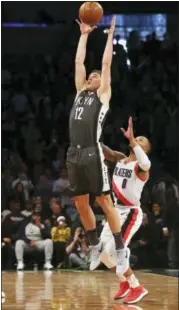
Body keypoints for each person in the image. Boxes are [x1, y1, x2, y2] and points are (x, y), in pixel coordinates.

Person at [66, 16, 128, 273]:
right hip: (74, 153)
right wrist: (83, 34)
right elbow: (79, 61)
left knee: (103, 200)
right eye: (90, 75)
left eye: (96, 76)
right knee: (80, 203)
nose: (92, 75)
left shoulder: (103, 96)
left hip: (93, 151)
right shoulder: (81, 92)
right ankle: (94, 245)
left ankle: (120, 248)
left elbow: (104, 62)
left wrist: (110, 36)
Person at [97, 117, 151, 304]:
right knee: (102, 252)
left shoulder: (141, 168)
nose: (139, 139)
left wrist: (132, 140)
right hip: (115, 210)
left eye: (142, 141)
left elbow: (146, 164)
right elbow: (109, 153)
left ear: (144, 150)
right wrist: (93, 139)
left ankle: (137, 286)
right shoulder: (122, 159)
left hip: (130, 212)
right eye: (138, 138)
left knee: (115, 251)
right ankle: (124, 283)